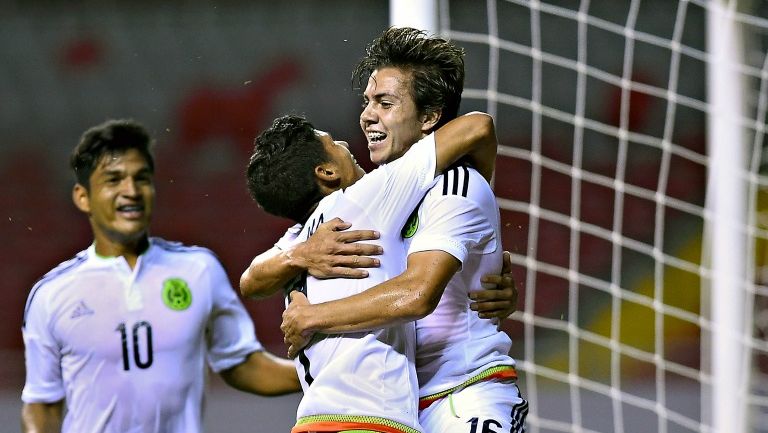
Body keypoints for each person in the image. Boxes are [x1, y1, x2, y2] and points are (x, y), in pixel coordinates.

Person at [277, 27, 528, 432]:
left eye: (385, 103)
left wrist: (313, 317)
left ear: (430, 117)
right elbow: (255, 275)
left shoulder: (455, 186)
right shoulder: (377, 197)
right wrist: (296, 257)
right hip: (398, 407)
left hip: (463, 396)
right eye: (367, 102)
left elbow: (416, 294)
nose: (367, 115)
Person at [20, 119, 300, 433]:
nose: (131, 191)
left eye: (141, 179)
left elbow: (242, 364)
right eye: (113, 180)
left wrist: (319, 374)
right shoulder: (51, 293)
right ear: (82, 196)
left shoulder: (198, 269)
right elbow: (42, 403)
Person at [245, 111, 498, 433]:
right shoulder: (365, 199)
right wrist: (484, 208)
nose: (344, 142)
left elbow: (250, 282)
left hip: (315, 419)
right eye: (331, 142)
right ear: (327, 172)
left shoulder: (299, 238)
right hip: (366, 420)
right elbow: (477, 126)